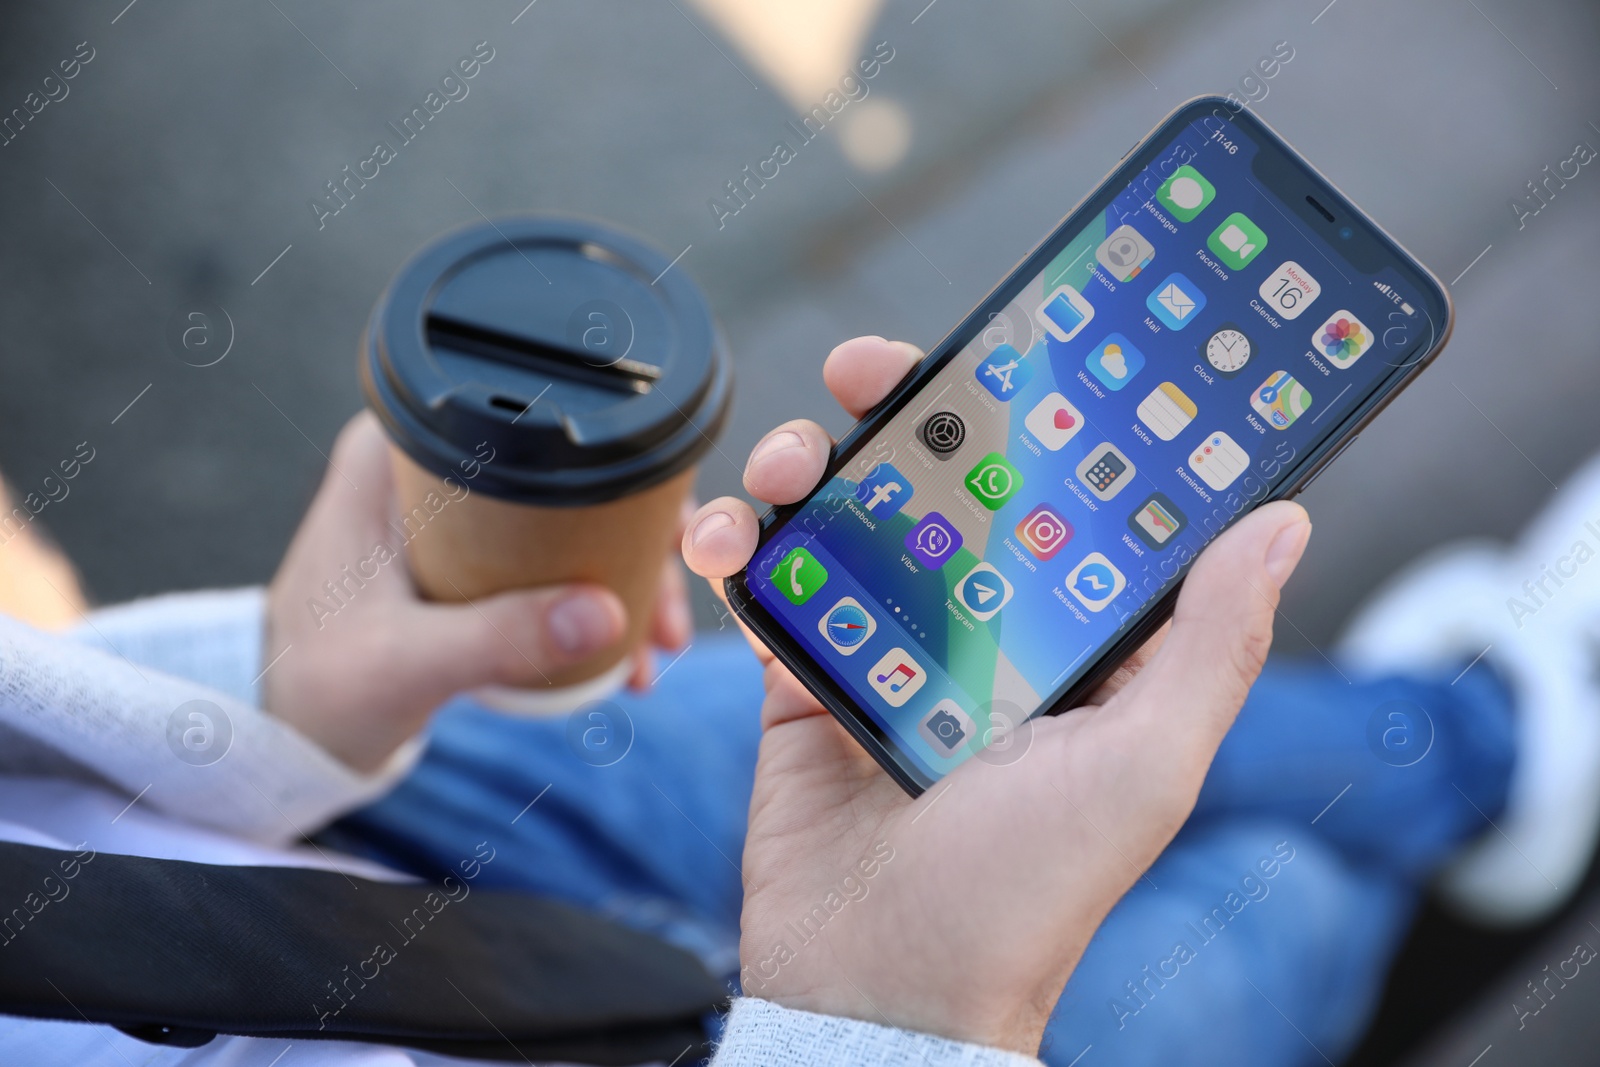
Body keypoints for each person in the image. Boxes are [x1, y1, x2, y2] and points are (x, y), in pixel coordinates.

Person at [0, 335, 1539, 1065]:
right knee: (1251, 916)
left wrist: (265, 707)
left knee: (909, 650)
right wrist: (899, 1034)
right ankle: (1474, 773)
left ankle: (1488, 733)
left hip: (308, 829)